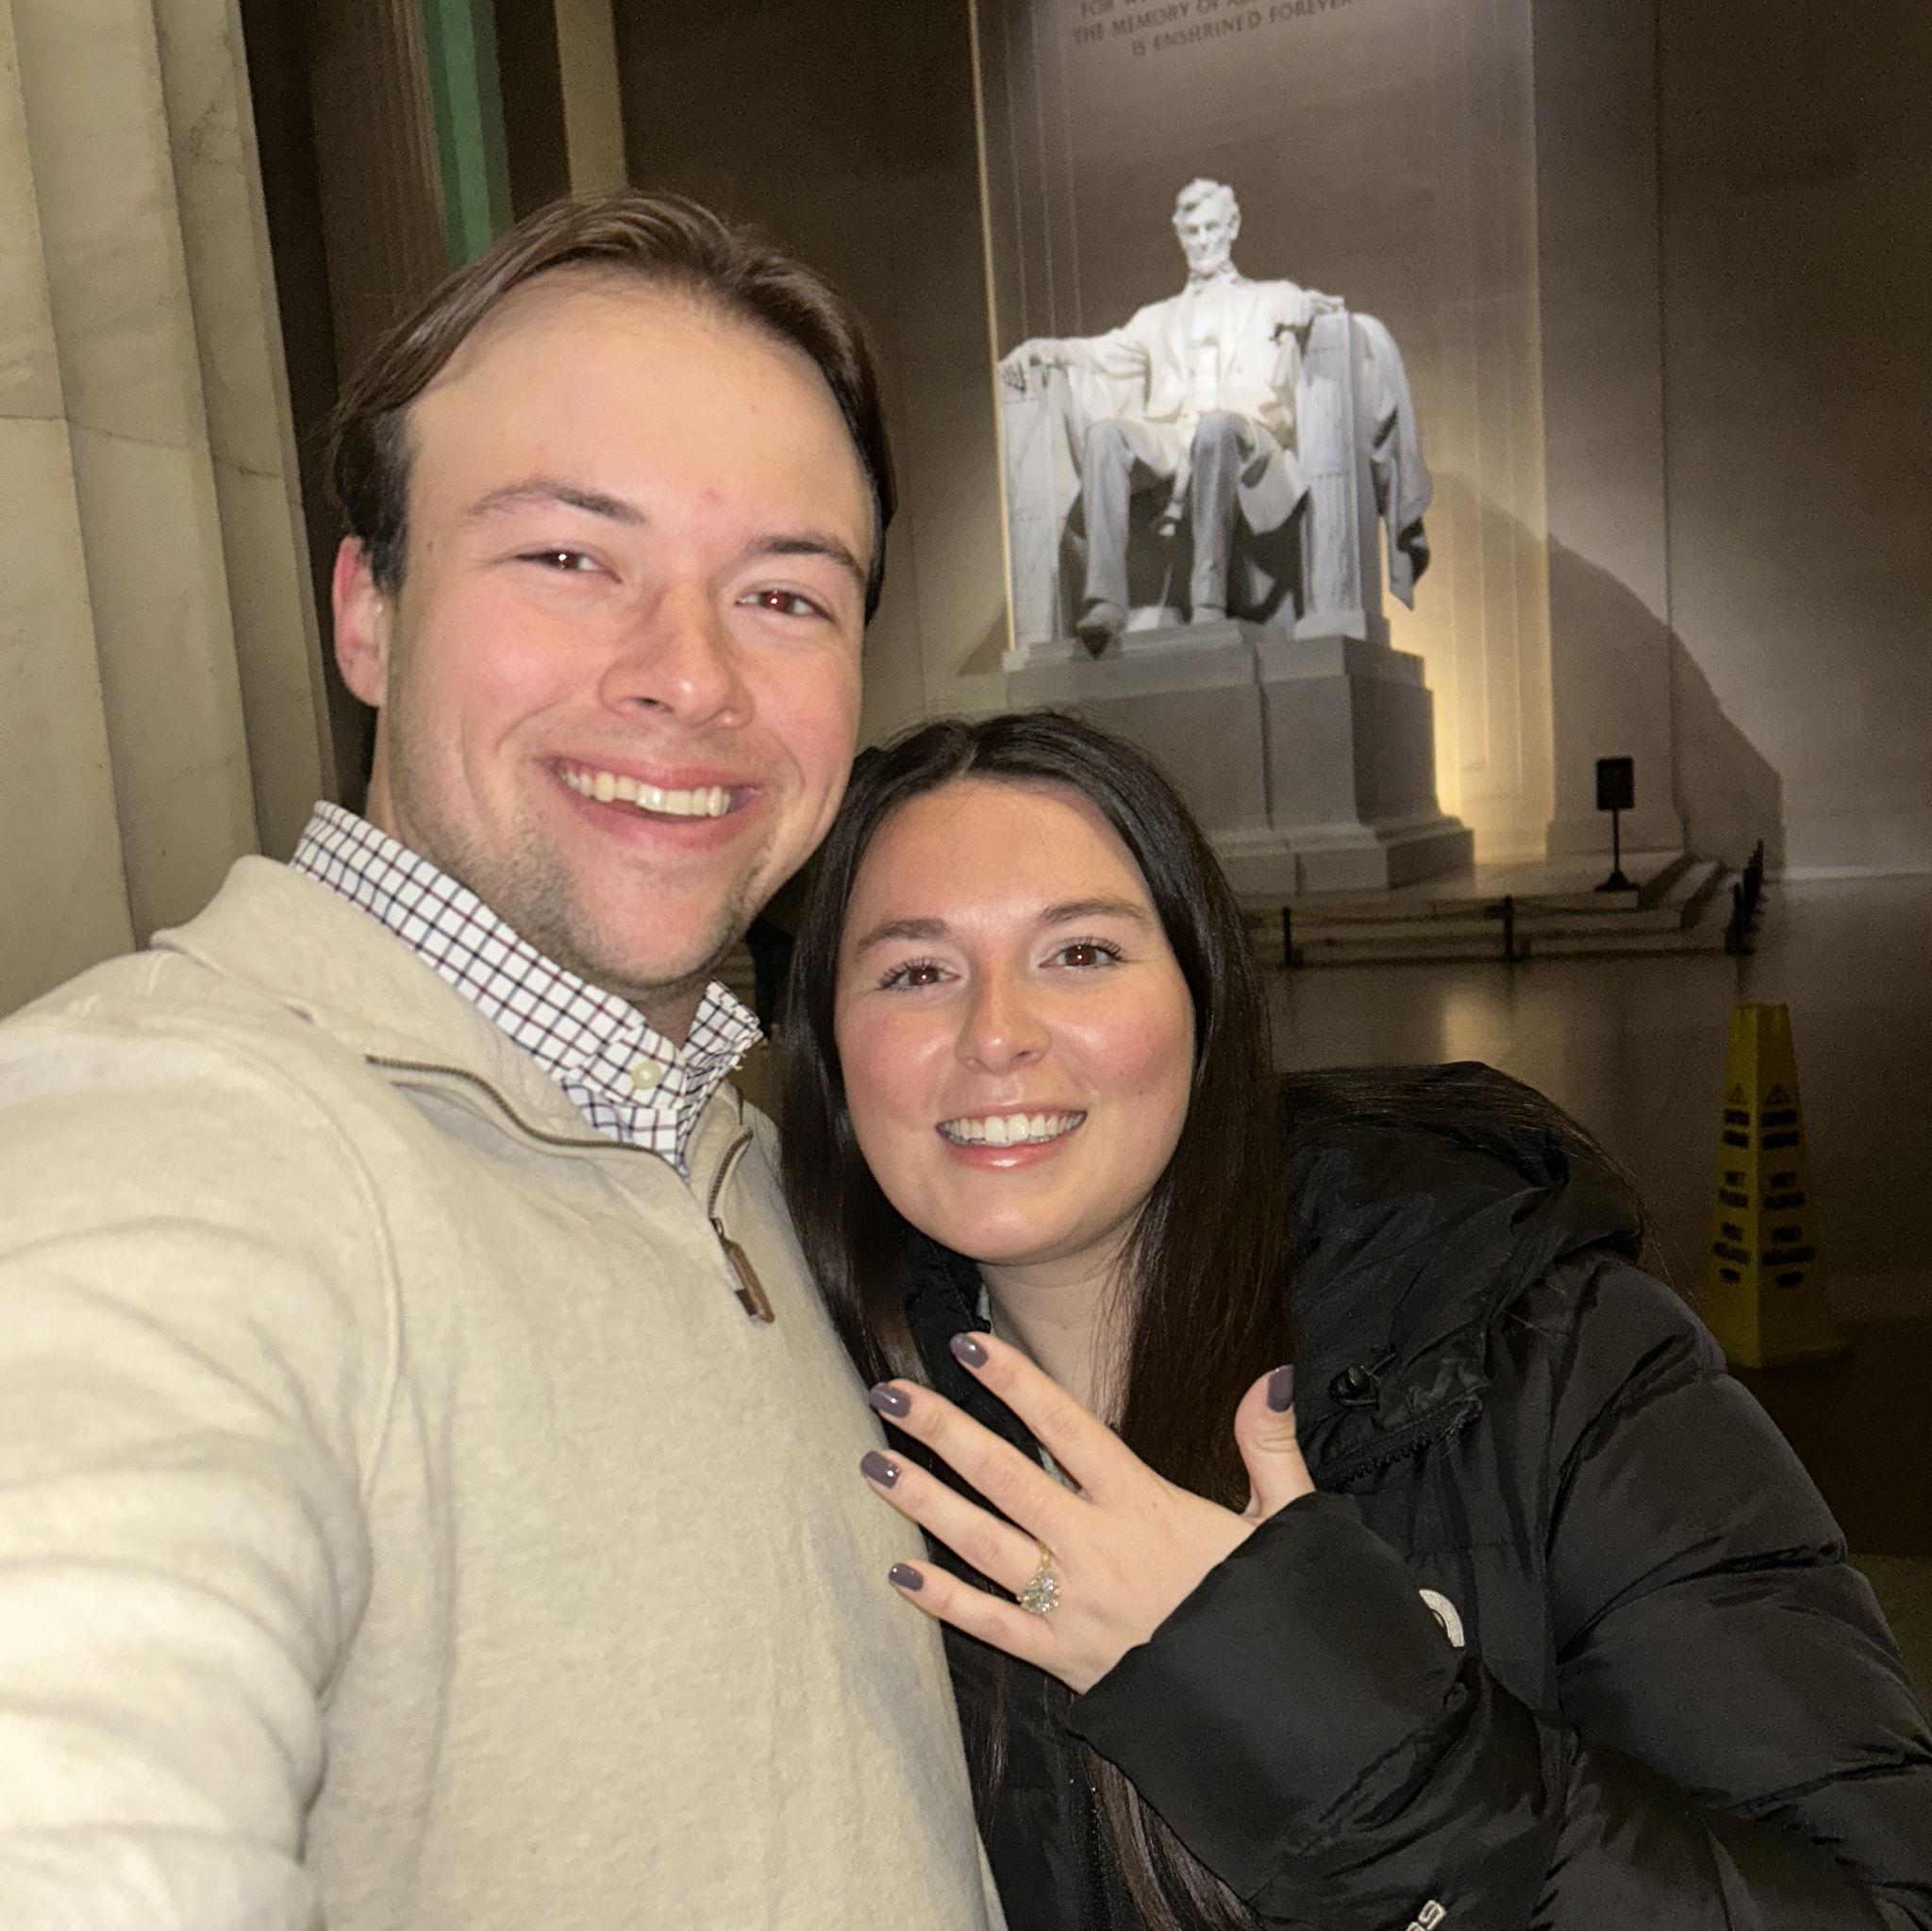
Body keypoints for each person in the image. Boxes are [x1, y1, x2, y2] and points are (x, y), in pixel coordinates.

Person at [0, 192, 1003, 1929]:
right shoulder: (168, 1137)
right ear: (367, 613)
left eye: (782, 593)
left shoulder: (752, 1163)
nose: (690, 677)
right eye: (568, 557)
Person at [778, 709, 1932, 1930]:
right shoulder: (820, 1406)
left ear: (1202, 997)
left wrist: (1313, 1709)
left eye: (1082, 953)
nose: (996, 1030)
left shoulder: (1533, 1346)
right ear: (834, 1051)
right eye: (916, 970)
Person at [1002, 178, 1341, 652]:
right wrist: (1046, 349)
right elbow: (1101, 352)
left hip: (1242, 434)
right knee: (1106, 435)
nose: (1202, 242)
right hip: (1176, 434)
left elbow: (1301, 306)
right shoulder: (1155, 318)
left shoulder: (1269, 297)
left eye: (1211, 229)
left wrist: (1306, 308)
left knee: (1216, 427)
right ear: (1180, 236)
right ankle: (1105, 601)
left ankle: (1209, 598)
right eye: (1192, 232)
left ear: (1232, 227)